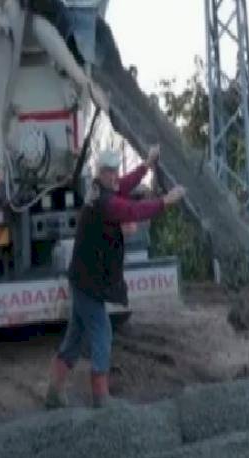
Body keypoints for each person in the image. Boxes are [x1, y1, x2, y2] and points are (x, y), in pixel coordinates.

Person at [44, 145, 185, 408]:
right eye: (109, 171)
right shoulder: (105, 202)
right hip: (89, 281)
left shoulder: (100, 191)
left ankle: (54, 391)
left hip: (84, 277)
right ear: (99, 173)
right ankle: (101, 396)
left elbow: (124, 184)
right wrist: (166, 201)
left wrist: (146, 165)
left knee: (75, 336)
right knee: (102, 332)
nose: (113, 176)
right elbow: (132, 211)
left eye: (115, 171)